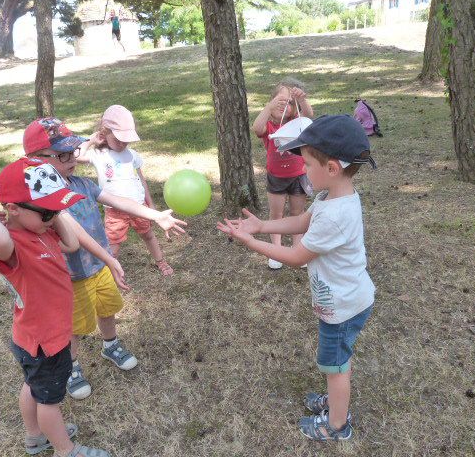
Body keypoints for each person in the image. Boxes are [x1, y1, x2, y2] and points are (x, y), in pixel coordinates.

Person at [217, 115, 376, 442]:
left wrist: (252, 243)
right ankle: (336, 404)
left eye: (305, 163)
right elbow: (303, 221)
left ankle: (337, 424)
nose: (301, 169)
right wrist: (262, 226)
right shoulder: (332, 197)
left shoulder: (335, 215)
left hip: (344, 308)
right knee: (335, 363)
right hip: (344, 300)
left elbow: (295, 258)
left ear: (331, 168)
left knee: (335, 366)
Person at [23, 117, 186, 400]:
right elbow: (70, 241)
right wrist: (109, 258)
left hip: (98, 268)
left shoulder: (83, 185)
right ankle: (72, 367)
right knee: (75, 326)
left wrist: (155, 214)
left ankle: (110, 345)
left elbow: (118, 201)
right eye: (61, 155)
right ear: (36, 160)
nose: (72, 159)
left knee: (107, 308)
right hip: (70, 277)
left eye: (72, 152)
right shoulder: (40, 202)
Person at [0, 157, 111, 457]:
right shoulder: (12, 244)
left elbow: (72, 244)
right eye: (47, 211)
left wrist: (53, 212)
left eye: (58, 209)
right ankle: (66, 449)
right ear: (12, 209)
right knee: (49, 401)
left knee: (33, 386)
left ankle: (35, 437)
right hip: (45, 342)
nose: (54, 216)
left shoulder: (43, 229)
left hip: (33, 336)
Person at [78, 105, 173, 276]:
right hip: (115, 212)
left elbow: (141, 181)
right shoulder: (99, 155)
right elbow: (77, 156)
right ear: (103, 135)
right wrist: (92, 140)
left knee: (148, 235)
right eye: (117, 139)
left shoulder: (133, 155)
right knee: (112, 246)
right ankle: (109, 272)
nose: (122, 144)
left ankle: (161, 261)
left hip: (138, 206)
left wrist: (150, 205)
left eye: (126, 140)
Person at [251, 77, 314, 270]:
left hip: (299, 175)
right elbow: (256, 128)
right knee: (276, 214)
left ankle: (298, 250)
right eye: (279, 101)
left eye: (288, 103)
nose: (283, 106)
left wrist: (302, 100)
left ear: (294, 108)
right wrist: (269, 106)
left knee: (297, 212)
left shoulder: (297, 123)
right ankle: (276, 251)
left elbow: (310, 117)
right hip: (276, 177)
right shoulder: (269, 126)